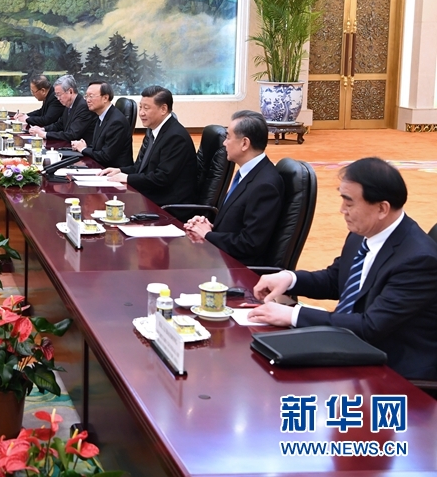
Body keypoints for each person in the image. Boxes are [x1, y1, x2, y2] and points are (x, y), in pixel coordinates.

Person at [248, 157, 437, 380]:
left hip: (393, 372)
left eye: (349, 203)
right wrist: (290, 279)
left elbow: (371, 326)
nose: (342, 210)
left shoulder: (418, 259)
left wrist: (293, 315)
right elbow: (336, 279)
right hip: (350, 346)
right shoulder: (362, 234)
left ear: (382, 208)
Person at [184, 110, 283, 266]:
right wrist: (207, 226)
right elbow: (236, 224)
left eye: (228, 137)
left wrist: (208, 235)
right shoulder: (247, 173)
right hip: (222, 258)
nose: (224, 143)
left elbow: (250, 244)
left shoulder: (265, 186)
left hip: (237, 269)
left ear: (244, 143)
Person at [101, 85, 196, 206]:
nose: (141, 113)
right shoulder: (153, 130)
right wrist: (119, 171)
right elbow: (141, 168)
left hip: (167, 204)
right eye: (140, 107)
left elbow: (161, 178)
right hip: (151, 196)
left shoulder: (175, 137)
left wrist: (127, 178)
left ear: (163, 109)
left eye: (146, 108)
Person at [70, 81, 133, 168]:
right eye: (86, 96)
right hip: (100, 166)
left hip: (113, 171)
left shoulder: (116, 122)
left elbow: (106, 157)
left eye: (91, 96)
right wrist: (83, 146)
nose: (87, 100)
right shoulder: (101, 116)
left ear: (105, 98)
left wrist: (83, 149)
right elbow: (98, 147)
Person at [28, 75, 97, 145]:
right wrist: (42, 129)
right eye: (56, 95)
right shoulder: (69, 103)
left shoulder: (83, 107)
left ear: (70, 91)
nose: (58, 98)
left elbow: (72, 134)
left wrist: (44, 134)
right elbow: (59, 124)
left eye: (59, 94)